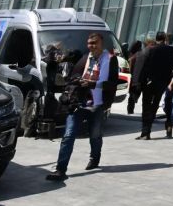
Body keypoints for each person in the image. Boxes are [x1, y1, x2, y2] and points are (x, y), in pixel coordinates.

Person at [46, 33, 119, 181]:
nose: (92, 46)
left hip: (97, 105)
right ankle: (60, 170)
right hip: (79, 103)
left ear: (101, 43)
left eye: (94, 43)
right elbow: (72, 74)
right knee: (68, 136)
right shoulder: (85, 58)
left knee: (95, 135)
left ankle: (94, 158)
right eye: (89, 43)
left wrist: (93, 84)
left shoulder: (110, 59)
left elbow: (112, 84)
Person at [136, 32, 173, 139]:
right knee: (155, 104)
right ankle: (148, 127)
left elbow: (145, 67)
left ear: (156, 39)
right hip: (163, 82)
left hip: (149, 82)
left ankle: (145, 132)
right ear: (165, 39)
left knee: (146, 105)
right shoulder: (171, 50)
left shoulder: (151, 50)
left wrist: (140, 82)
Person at [126, 39, 151, 115]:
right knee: (139, 95)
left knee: (132, 95)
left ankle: (130, 110)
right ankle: (139, 110)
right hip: (141, 78)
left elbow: (130, 68)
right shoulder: (143, 55)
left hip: (133, 78)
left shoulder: (132, 56)